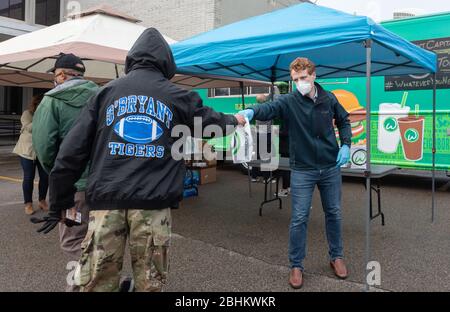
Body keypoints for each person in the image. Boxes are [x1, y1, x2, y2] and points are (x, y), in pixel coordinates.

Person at [33, 28, 245, 292]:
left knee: (96, 282)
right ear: (167, 62)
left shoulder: (104, 94)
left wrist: (60, 203)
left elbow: (70, 153)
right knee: (150, 284)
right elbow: (211, 124)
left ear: (131, 59)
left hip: (106, 202)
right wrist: (234, 120)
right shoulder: (176, 95)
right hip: (152, 205)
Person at [239, 57, 351, 289]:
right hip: (303, 169)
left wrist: (346, 144)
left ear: (313, 76)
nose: (300, 82)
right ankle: (296, 265)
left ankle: (336, 256)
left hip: (330, 167)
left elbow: (344, 120)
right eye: (295, 79)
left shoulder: (329, 98)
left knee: (334, 212)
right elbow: (269, 107)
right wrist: (251, 111)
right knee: (299, 217)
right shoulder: (289, 100)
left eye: (303, 78)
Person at [31, 53, 99, 290]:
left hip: (73, 191)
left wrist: (59, 174)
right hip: (104, 185)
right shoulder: (103, 96)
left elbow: (44, 147)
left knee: (73, 240)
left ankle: (89, 285)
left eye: (55, 75)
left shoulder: (52, 100)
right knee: (99, 237)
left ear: (60, 75)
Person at [13, 94, 49, 215]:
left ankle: (42, 200)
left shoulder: (48, 115)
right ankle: (28, 203)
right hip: (27, 152)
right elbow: (28, 128)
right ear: (36, 104)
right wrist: (41, 117)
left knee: (45, 177)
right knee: (29, 177)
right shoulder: (27, 114)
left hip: (42, 151)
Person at [251, 94, 273, 182]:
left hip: (257, 133)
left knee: (256, 155)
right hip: (266, 133)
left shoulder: (255, 108)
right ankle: (266, 178)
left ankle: (254, 176)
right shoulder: (267, 109)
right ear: (264, 100)